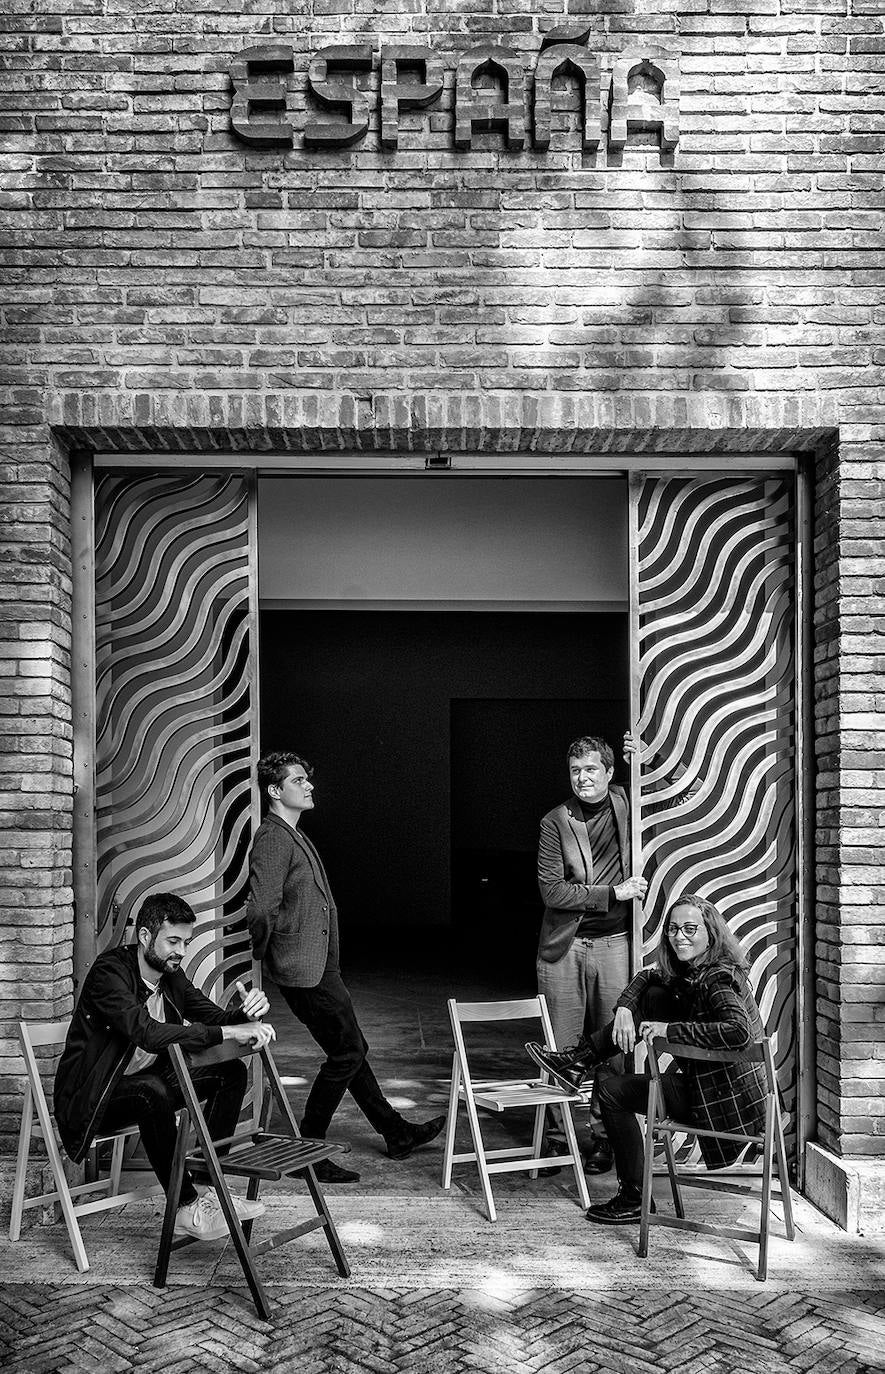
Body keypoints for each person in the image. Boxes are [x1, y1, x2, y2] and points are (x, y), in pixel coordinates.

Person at [245, 750, 445, 1183]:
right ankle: (309, 1151)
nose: (309, 785)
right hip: (304, 970)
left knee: (352, 1050)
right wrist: (265, 952)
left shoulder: (290, 833)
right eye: (299, 780)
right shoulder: (273, 838)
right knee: (348, 1053)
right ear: (275, 790)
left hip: (317, 967)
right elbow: (261, 908)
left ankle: (396, 1133)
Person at [526, 893, 767, 1223]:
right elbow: (650, 977)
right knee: (653, 995)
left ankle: (634, 1196)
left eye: (690, 928)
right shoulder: (694, 971)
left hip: (725, 1105)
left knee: (613, 1092)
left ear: (711, 932)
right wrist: (625, 1007)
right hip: (713, 1091)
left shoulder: (717, 979)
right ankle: (581, 1060)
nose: (679, 935)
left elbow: (738, 1032)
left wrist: (669, 1030)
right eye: (673, 928)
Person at [54, 892, 276, 1242]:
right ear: (145, 936)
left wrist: (244, 1013)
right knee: (151, 1091)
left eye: (186, 942)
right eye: (173, 941)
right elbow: (147, 1033)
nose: (181, 951)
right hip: (95, 1098)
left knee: (230, 1074)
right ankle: (186, 1206)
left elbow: (213, 1018)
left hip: (145, 1085)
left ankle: (207, 1190)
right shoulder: (109, 972)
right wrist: (230, 1030)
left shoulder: (171, 975)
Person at [536, 732, 647, 1173]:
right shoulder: (555, 821)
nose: (582, 778)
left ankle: (604, 1139)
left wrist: (650, 755)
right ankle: (555, 1142)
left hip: (616, 946)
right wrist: (611, 892)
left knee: (613, 1049)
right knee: (560, 1050)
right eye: (575, 771)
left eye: (590, 770)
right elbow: (551, 889)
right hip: (564, 949)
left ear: (609, 772)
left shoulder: (630, 801)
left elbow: (683, 796)